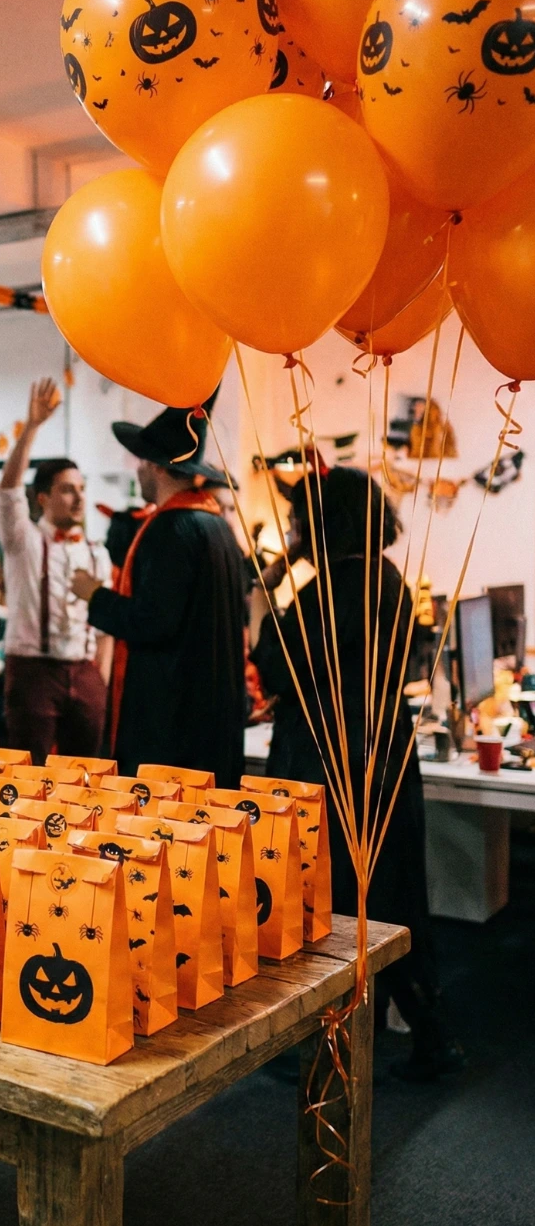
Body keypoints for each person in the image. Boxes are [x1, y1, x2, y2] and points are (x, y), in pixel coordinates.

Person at [252, 467, 462, 1080]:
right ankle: (428, 1035)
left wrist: (275, 574)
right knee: (391, 894)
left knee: (336, 901)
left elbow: (276, 665)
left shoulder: (330, 587)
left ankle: (336, 1049)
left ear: (320, 523)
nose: (291, 528)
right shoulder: (388, 580)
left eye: (298, 519)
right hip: (383, 749)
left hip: (334, 757)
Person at [71, 398, 245, 786]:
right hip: (210, 715)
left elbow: (154, 622)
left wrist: (94, 595)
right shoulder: (217, 527)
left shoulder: (170, 530)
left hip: (173, 719)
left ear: (153, 465)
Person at [0, 378, 112, 764]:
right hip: (33, 672)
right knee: (30, 774)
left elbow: (105, 628)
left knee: (86, 778)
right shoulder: (24, 542)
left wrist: (101, 678)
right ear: (43, 498)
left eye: (81, 488)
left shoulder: (97, 552)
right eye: (67, 489)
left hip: (85, 671)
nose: (78, 497)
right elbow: (9, 493)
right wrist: (32, 427)